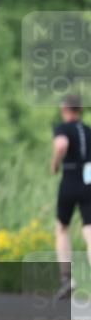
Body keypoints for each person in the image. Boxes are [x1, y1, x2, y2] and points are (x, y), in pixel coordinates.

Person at [51, 94, 91, 300]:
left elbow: (60, 145)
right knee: (89, 230)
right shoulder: (88, 130)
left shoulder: (63, 129)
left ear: (65, 110)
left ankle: (67, 278)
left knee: (62, 227)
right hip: (89, 181)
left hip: (70, 180)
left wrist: (55, 163)